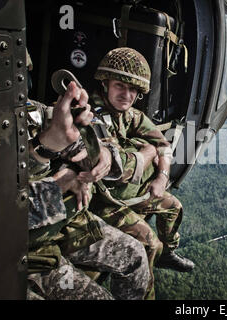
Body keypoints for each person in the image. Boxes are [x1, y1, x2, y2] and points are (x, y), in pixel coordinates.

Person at [26, 75, 151, 299]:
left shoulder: (32, 113)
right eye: (120, 86)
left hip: (67, 221)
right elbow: (7, 217)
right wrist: (60, 182)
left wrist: (99, 154)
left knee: (137, 255)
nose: (127, 95)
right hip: (27, 247)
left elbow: (98, 155)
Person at [87, 47, 195, 288]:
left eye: (133, 90)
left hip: (130, 193)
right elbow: (119, 169)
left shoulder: (129, 116)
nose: (127, 95)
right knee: (149, 244)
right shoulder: (92, 118)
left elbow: (164, 145)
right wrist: (147, 151)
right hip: (104, 202)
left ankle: (167, 255)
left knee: (173, 207)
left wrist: (161, 176)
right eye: (120, 86)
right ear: (105, 84)